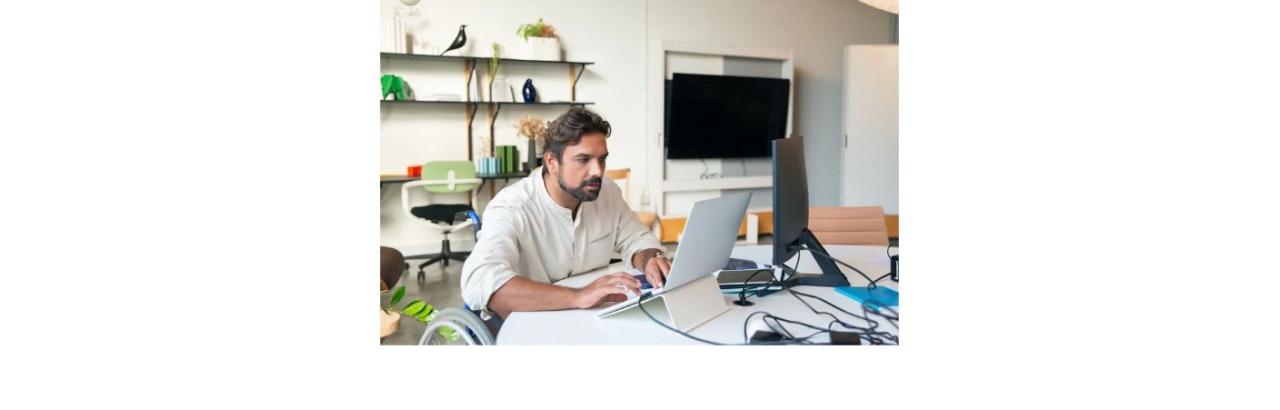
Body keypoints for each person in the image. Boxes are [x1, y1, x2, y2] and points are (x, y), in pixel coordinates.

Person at [460, 107, 671, 322]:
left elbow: (637, 239)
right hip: (532, 320)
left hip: (593, 316)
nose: (597, 171)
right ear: (552, 162)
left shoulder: (607, 191)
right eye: (583, 159)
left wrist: (652, 258)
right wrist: (579, 296)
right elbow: (481, 279)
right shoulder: (512, 206)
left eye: (602, 159)